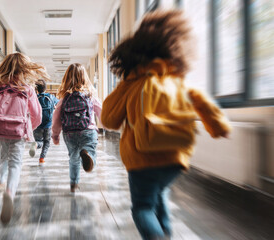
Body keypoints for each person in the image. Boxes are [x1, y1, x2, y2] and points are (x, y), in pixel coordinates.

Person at [101, 10, 231, 240]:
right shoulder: (177, 80)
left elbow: (108, 120)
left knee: (143, 207)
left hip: (141, 158)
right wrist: (219, 127)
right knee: (160, 196)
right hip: (175, 156)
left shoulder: (132, 81)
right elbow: (204, 104)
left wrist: (124, 83)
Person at [0, 53, 46, 224]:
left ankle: (0, 178)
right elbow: (38, 114)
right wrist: (31, 128)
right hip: (18, 131)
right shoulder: (27, 89)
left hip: (0, 130)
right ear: (24, 70)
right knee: (15, 164)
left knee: (4, 156)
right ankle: (9, 192)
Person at [52, 63, 102, 193]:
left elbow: (56, 117)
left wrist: (55, 135)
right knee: (90, 149)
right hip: (88, 130)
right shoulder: (90, 95)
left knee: (73, 158)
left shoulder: (65, 98)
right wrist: (106, 125)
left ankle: (74, 184)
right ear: (84, 77)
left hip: (69, 132)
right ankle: (87, 154)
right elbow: (101, 112)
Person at [30, 79, 59, 164]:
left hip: (37, 124)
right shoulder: (50, 97)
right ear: (45, 88)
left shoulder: (35, 98)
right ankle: (42, 158)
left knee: (39, 141)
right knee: (47, 142)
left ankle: (36, 144)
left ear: (36, 89)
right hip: (48, 124)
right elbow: (58, 103)